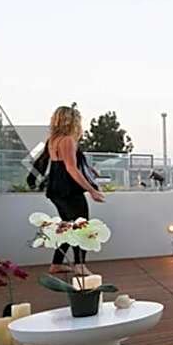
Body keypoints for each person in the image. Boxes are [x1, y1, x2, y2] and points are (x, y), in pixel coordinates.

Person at [44, 105, 106, 275]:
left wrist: (89, 170)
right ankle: (80, 265)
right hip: (68, 189)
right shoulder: (67, 140)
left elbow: (65, 163)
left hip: (56, 188)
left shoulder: (53, 140)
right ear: (72, 121)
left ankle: (56, 264)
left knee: (68, 226)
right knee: (81, 226)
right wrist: (91, 190)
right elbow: (71, 168)